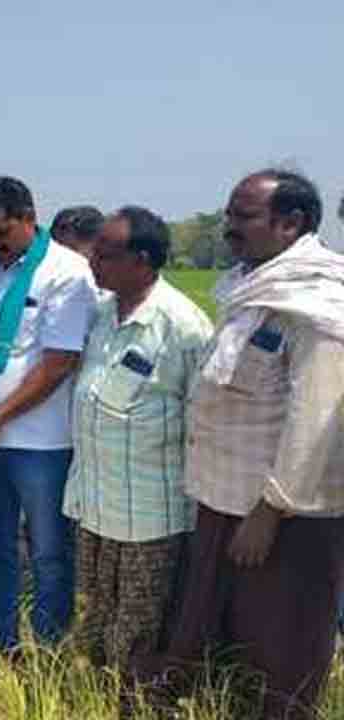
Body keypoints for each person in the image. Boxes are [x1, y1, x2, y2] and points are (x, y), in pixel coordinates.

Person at [143, 171, 344, 719]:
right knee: (223, 640)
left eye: (242, 216)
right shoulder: (250, 290)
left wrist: (272, 509)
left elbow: (316, 419)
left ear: (291, 224)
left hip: (282, 517)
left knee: (283, 650)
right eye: (229, 214)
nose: (229, 227)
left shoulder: (318, 305)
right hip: (223, 499)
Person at [0, 176, 97, 650]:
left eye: (2, 235)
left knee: (50, 553)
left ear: (30, 219)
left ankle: (48, 650)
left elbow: (58, 364)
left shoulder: (67, 272)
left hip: (41, 444)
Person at [62, 207, 212, 668]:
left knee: (141, 621)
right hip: (96, 500)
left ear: (143, 261)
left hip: (151, 513)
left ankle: (137, 700)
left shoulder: (183, 327)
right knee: (97, 610)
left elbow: (203, 423)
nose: (93, 262)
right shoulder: (102, 315)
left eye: (105, 255)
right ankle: (96, 691)